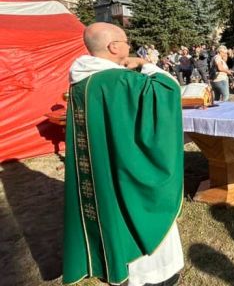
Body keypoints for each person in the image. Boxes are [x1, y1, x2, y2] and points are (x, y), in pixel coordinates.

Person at [63, 23, 183, 286]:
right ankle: (154, 275)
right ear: (113, 46)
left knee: (110, 209)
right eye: (127, 42)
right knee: (136, 209)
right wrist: (145, 63)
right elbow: (168, 90)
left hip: (102, 170)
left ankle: (113, 263)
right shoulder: (120, 81)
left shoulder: (81, 81)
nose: (129, 47)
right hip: (128, 170)